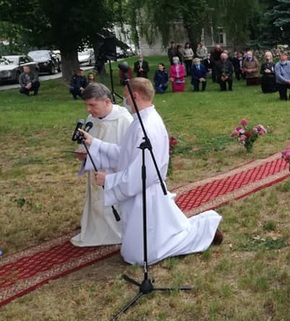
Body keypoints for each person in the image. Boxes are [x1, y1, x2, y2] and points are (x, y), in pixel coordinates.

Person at [80, 78, 223, 265]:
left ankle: (205, 230)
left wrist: (110, 179)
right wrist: (95, 143)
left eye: (126, 96)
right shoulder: (141, 120)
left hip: (146, 195)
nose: (125, 101)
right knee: (138, 250)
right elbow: (126, 155)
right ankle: (200, 230)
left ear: (136, 95)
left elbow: (142, 173)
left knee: (142, 256)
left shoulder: (145, 126)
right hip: (144, 194)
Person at [71, 83, 132, 247]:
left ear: (106, 102)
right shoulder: (92, 119)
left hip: (115, 174)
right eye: (86, 105)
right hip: (95, 173)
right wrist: (82, 154)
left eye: (92, 105)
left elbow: (129, 153)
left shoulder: (124, 120)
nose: (88, 110)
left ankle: (119, 230)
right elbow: (88, 144)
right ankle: (96, 229)